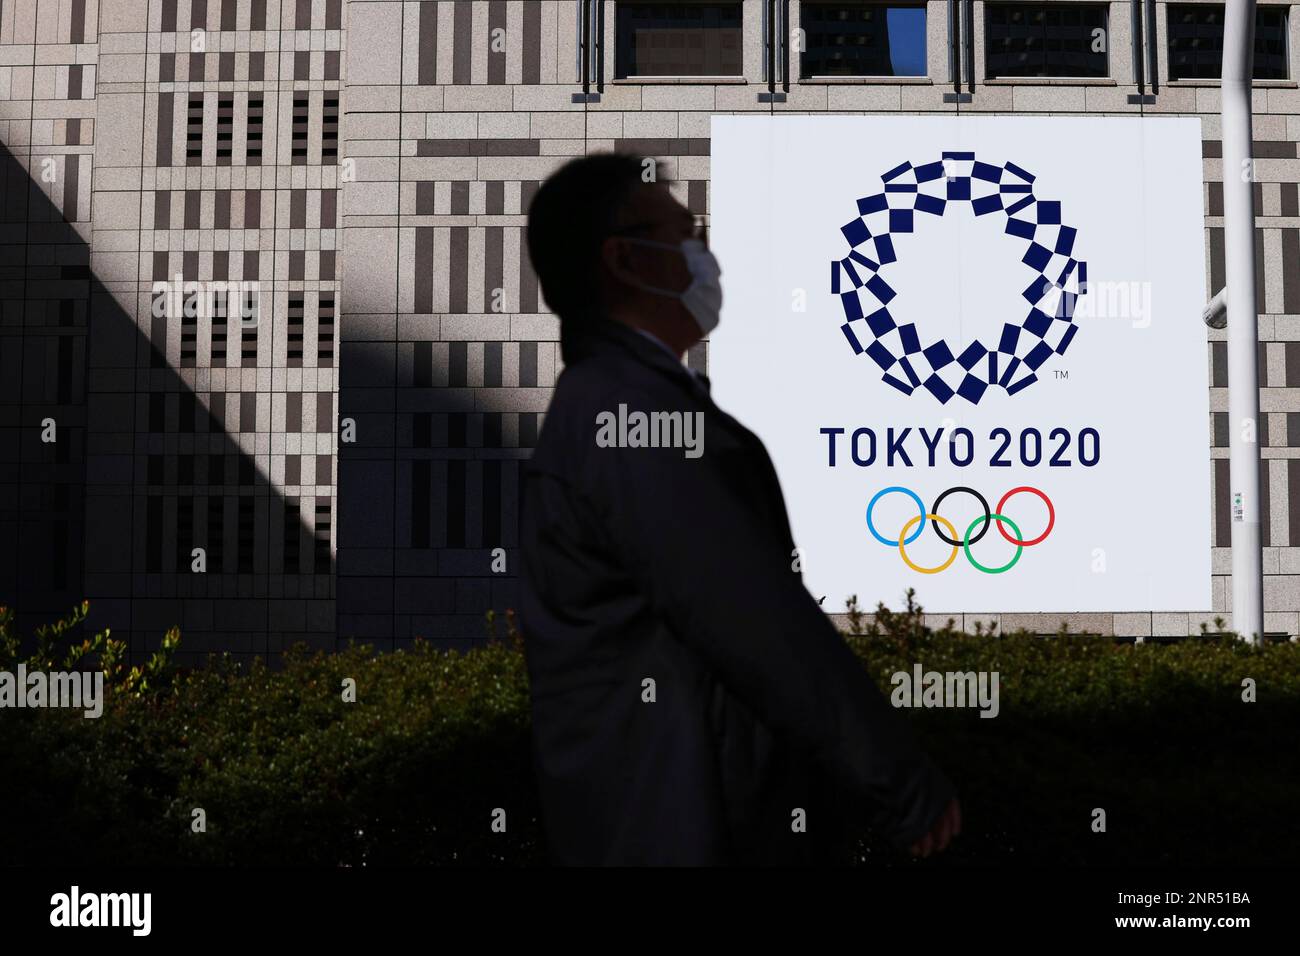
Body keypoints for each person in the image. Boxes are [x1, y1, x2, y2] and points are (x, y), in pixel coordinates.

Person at [520, 153, 960, 865]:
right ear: (627, 259)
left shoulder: (620, 399)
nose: (703, 252)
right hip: (686, 825)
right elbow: (748, 613)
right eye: (685, 231)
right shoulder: (628, 410)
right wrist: (901, 782)